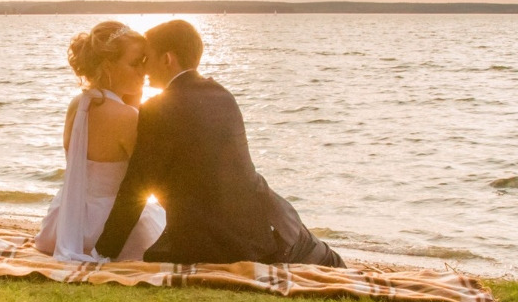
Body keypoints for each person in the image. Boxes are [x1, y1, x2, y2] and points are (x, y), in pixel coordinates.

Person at [94, 19, 344, 267]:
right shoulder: (222, 94)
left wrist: (104, 251)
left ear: (167, 59)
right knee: (330, 260)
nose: (144, 68)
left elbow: (137, 185)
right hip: (266, 219)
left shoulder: (157, 110)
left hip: (209, 238)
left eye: (147, 58)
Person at [34, 21, 167, 262]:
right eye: (135, 63)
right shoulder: (127, 117)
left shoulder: (77, 104)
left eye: (145, 63)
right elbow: (147, 176)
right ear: (108, 66)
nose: (143, 72)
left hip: (65, 222)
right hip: (108, 227)